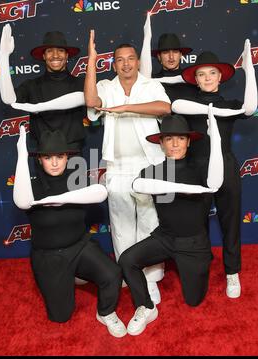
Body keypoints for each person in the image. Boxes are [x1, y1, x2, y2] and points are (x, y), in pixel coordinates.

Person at [119, 107, 225, 336]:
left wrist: (215, 137)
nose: (175, 144)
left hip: (194, 244)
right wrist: (189, 190)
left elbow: (216, 181)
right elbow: (137, 186)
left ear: (188, 142)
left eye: (180, 138)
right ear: (161, 143)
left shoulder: (202, 169)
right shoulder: (152, 171)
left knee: (194, 301)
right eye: (169, 138)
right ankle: (146, 307)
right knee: (127, 260)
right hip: (165, 238)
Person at [84, 29, 171, 304]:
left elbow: (164, 108)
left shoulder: (151, 85)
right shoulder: (106, 87)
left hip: (150, 162)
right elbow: (91, 102)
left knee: (149, 221)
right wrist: (91, 61)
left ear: (137, 62)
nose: (125, 64)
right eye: (119, 60)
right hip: (117, 165)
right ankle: (129, 275)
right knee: (121, 224)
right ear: (113, 65)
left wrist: (124, 109)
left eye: (130, 59)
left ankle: (151, 279)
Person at [13, 126, 127, 338]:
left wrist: (54, 201)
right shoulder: (31, 187)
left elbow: (101, 192)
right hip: (49, 257)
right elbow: (22, 201)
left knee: (113, 273)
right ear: (39, 160)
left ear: (67, 157)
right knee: (61, 316)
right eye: (48, 157)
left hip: (80, 247)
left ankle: (106, 313)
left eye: (60, 156)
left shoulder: (77, 181)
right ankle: (70, 276)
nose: (55, 162)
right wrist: (21, 155)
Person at [171, 42, 258, 298]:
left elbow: (251, 107)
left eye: (211, 73)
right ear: (195, 80)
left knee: (230, 222)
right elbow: (175, 106)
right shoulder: (186, 103)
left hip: (227, 167)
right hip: (196, 169)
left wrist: (250, 68)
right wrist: (213, 111)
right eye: (201, 74)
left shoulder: (231, 104)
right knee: (197, 225)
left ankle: (232, 273)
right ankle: (201, 267)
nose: (207, 78)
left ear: (220, 77)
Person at [0, 25, 86, 152]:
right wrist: (3, 57)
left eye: (60, 50)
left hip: (73, 154)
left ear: (67, 55)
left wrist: (38, 107)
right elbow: (8, 99)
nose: (55, 55)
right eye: (50, 50)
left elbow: (96, 103)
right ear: (44, 56)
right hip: (42, 155)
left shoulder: (81, 84)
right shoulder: (31, 86)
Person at [139, 13, 198, 101]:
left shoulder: (192, 79)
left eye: (175, 52)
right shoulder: (151, 80)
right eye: (166, 52)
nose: (171, 57)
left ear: (181, 54)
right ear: (159, 57)